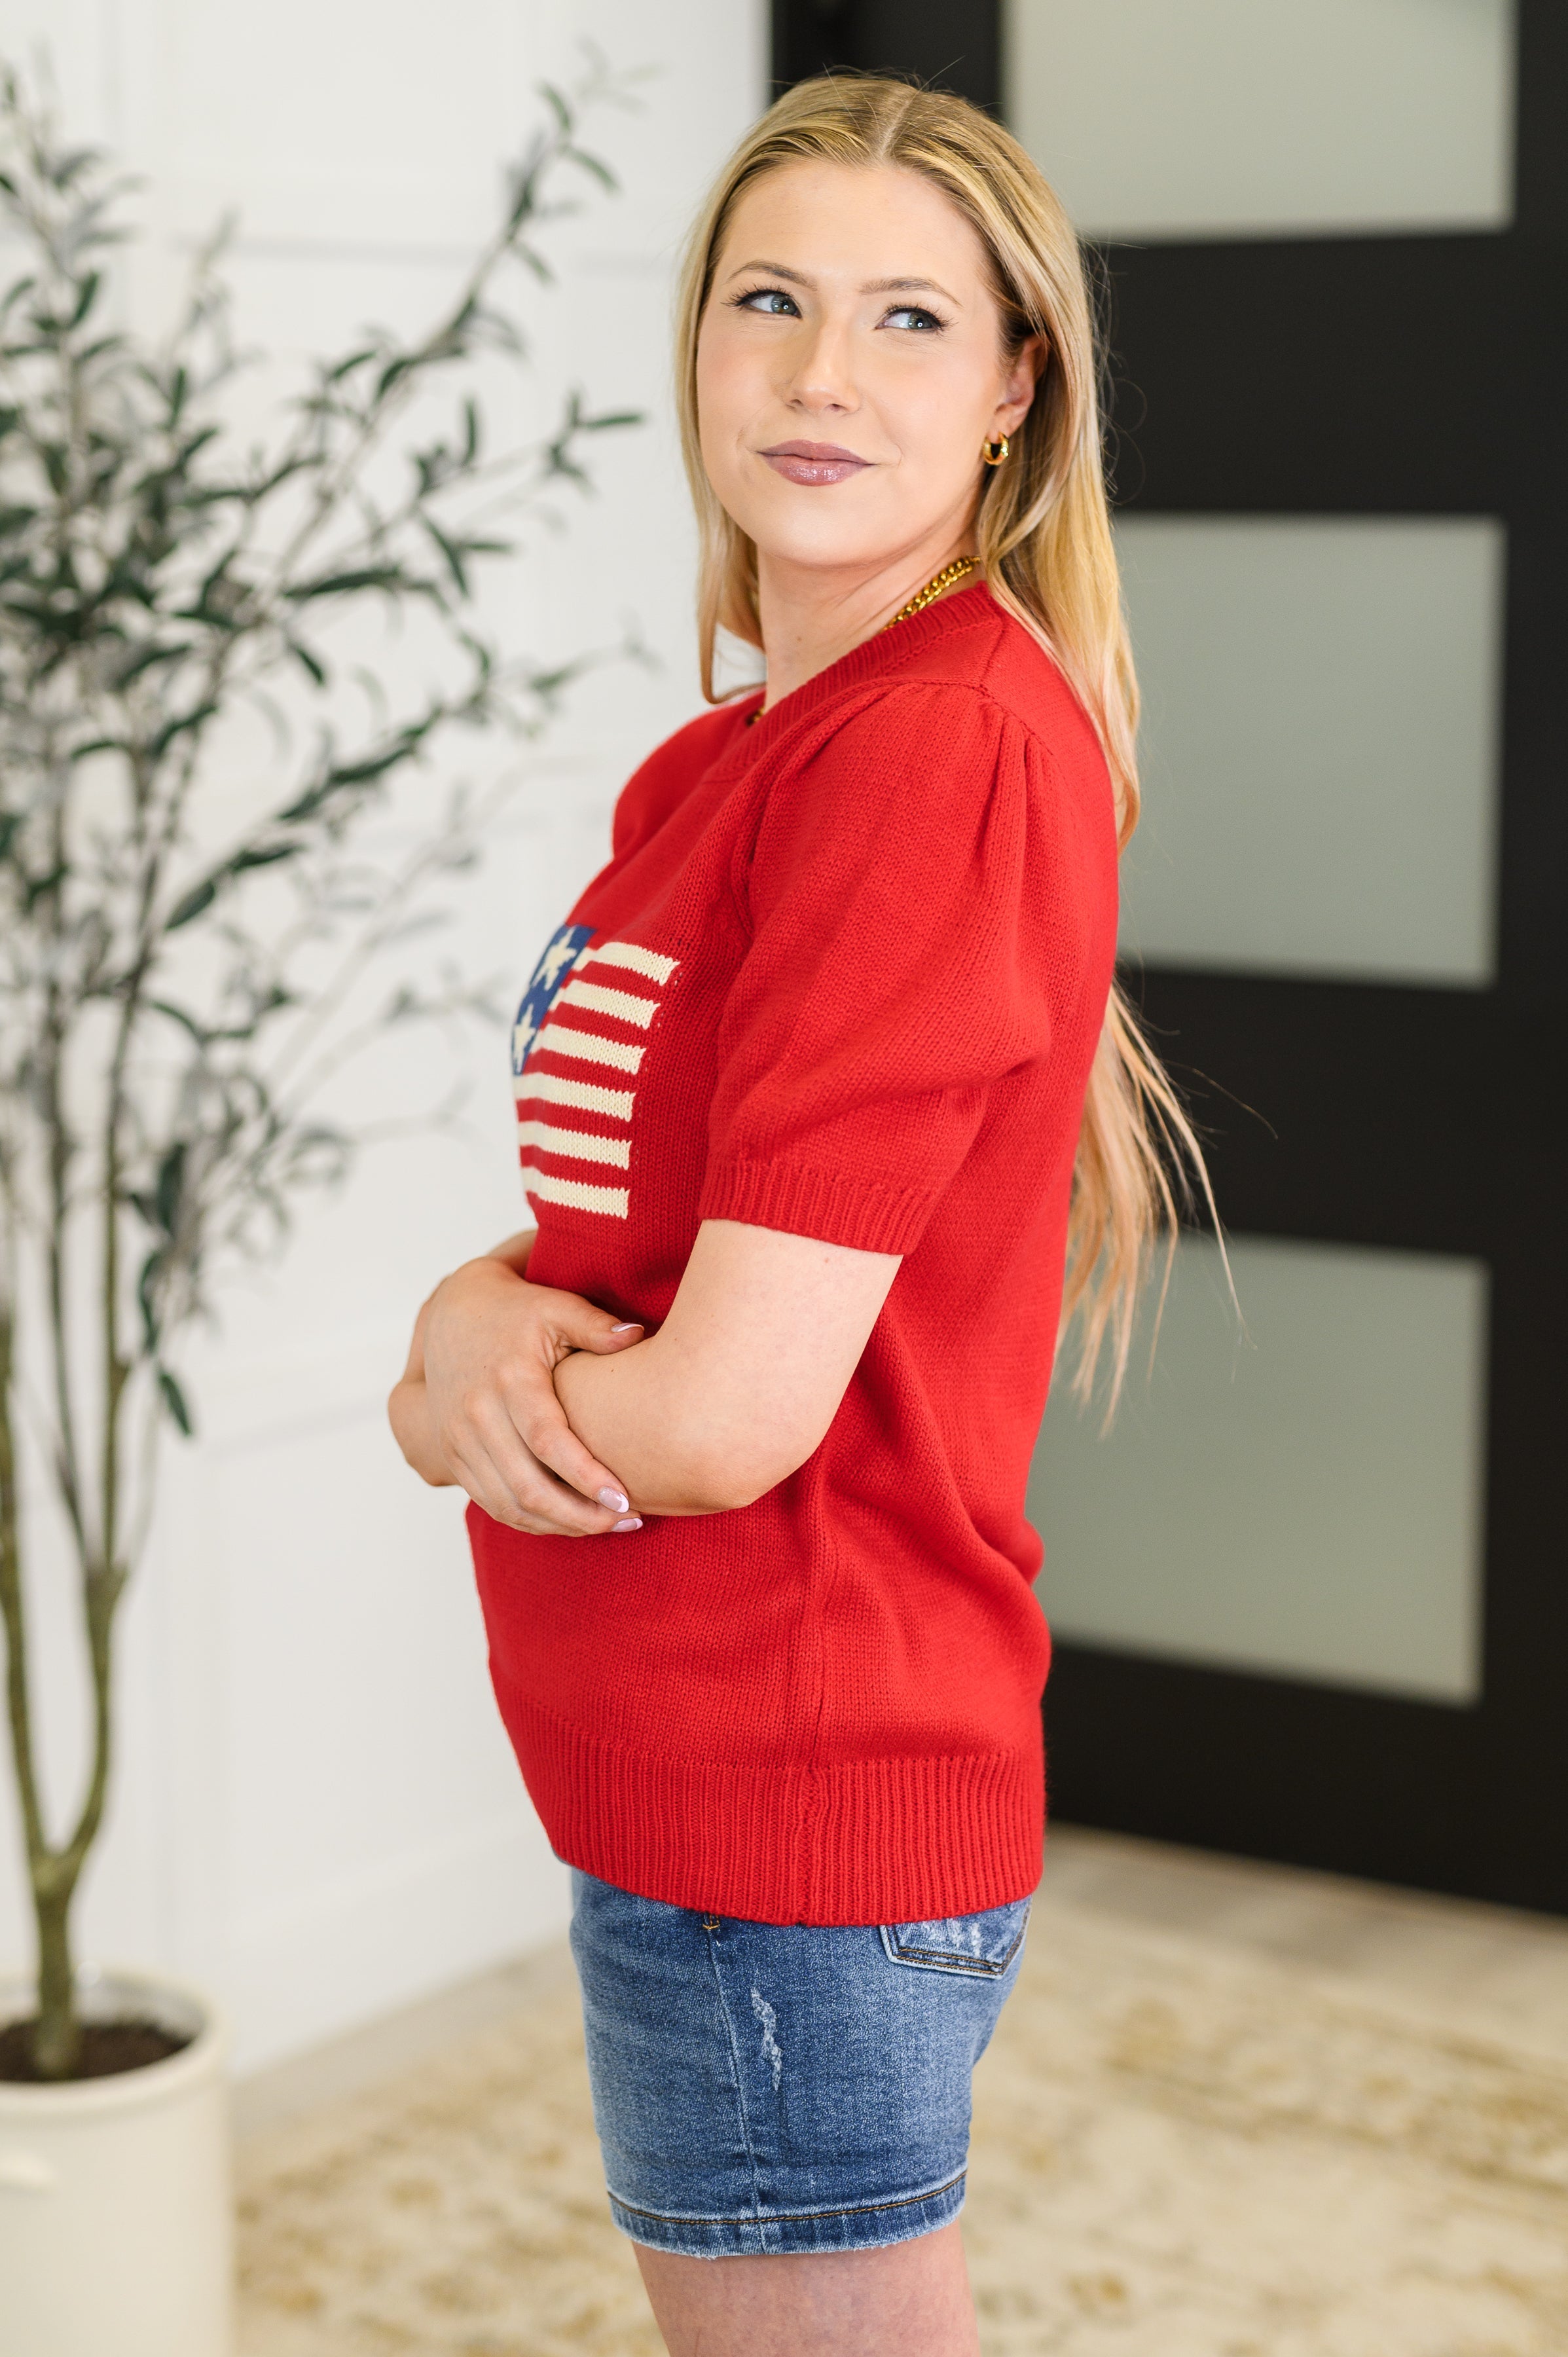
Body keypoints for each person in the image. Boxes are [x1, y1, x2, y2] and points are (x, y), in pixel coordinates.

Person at [389, 72, 1203, 2357]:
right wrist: (473, 1303)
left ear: (1015, 388)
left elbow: (724, 1411)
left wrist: (444, 1391)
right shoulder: (736, 757)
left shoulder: (933, 742)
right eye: (769, 301)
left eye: (908, 317)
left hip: (791, 1784)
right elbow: (633, 1254)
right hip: (693, 1775)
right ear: (696, 346)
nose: (822, 372)